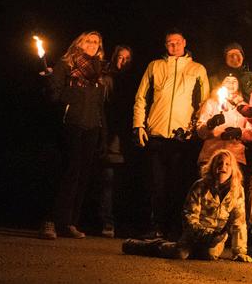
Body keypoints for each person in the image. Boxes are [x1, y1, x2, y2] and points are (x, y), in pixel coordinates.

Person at [132, 29, 210, 238]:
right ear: (165, 45)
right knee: (156, 184)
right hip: (156, 133)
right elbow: (141, 97)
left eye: (177, 42)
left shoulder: (197, 69)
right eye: (169, 43)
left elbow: (205, 103)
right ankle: (156, 226)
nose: (173, 46)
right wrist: (139, 125)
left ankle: (175, 228)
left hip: (181, 137)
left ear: (184, 42)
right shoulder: (155, 66)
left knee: (177, 184)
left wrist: (195, 129)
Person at [122, 149, 252, 262]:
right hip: (194, 234)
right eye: (219, 163)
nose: (223, 167)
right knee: (180, 253)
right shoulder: (200, 186)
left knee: (209, 255)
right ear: (212, 166)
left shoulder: (237, 191)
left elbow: (239, 222)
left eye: (227, 164)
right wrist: (205, 234)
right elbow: (189, 215)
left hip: (215, 239)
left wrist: (240, 252)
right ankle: (141, 245)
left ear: (233, 169)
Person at [42, 31, 108, 240]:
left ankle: (69, 222)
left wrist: (102, 133)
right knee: (68, 172)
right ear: (79, 43)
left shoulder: (98, 71)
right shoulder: (66, 65)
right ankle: (50, 221)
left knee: (82, 175)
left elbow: (100, 106)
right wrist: (60, 89)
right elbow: (54, 95)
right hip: (71, 123)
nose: (93, 44)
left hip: (91, 127)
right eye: (89, 41)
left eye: (96, 42)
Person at [97, 44, 133, 238]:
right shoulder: (105, 77)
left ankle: (122, 221)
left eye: (127, 58)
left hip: (125, 134)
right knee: (107, 178)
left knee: (121, 180)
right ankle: (106, 221)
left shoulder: (132, 81)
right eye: (120, 57)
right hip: (107, 130)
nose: (123, 61)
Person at [195, 74, 252, 168]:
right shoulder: (211, 103)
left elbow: (251, 135)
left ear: (239, 84)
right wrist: (211, 124)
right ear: (221, 84)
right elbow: (200, 132)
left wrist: (239, 132)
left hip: (235, 157)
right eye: (227, 80)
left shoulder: (244, 107)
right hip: (211, 155)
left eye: (234, 81)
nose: (231, 83)